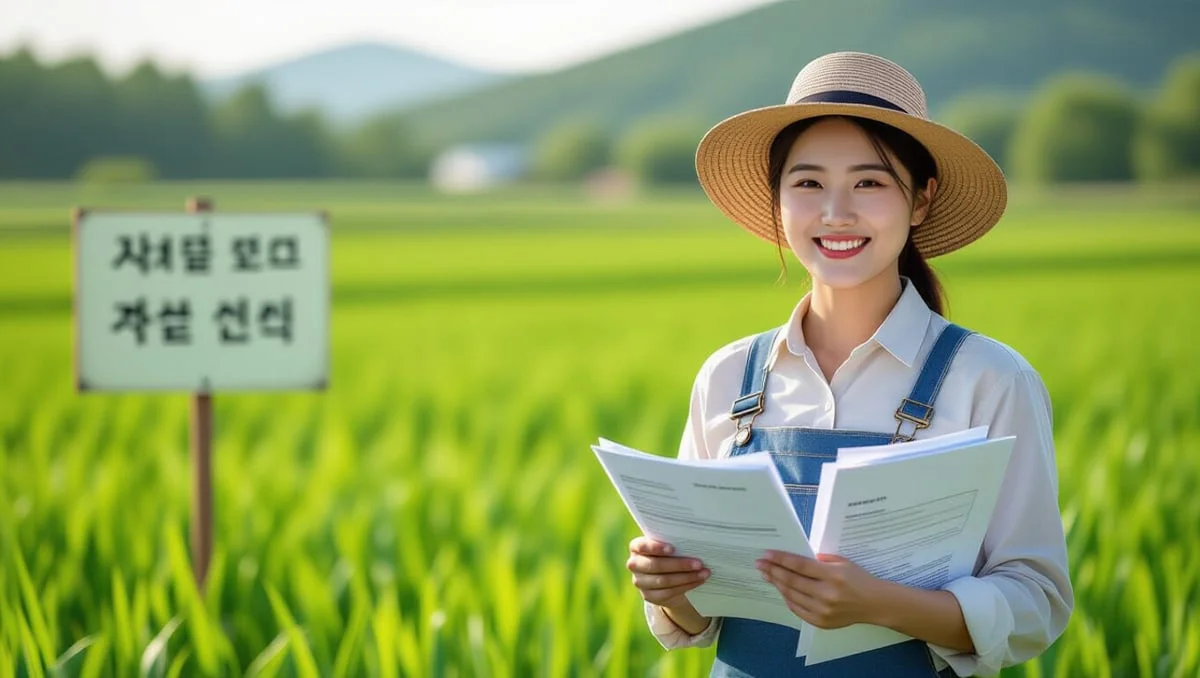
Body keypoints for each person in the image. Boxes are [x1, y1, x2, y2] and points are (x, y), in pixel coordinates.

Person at [624, 52, 1073, 677]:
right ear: (777, 202)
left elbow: (1036, 601)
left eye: (869, 182)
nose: (836, 212)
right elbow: (704, 620)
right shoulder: (728, 377)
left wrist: (884, 605)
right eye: (807, 183)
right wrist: (673, 590)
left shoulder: (990, 379)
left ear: (920, 201)